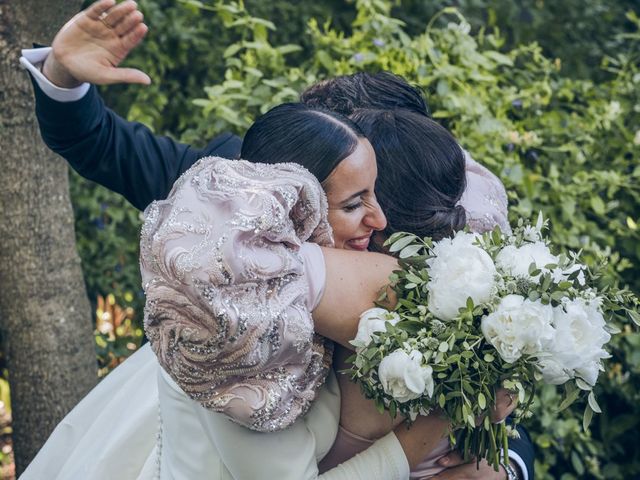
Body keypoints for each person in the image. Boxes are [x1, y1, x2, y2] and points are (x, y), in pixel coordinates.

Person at [18, 1, 534, 478]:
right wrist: (64, 76)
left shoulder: (448, 216)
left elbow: (487, 367)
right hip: (215, 413)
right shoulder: (232, 206)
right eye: (351, 199)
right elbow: (99, 142)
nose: (370, 216)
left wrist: (506, 462)